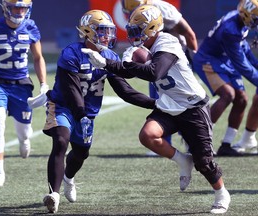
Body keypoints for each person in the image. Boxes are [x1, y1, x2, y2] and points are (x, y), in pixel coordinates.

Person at [83, 4, 231, 214]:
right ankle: (182, 161)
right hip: (169, 104)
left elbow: (154, 73)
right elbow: (128, 74)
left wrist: (109, 64)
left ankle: (222, 193)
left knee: (204, 163)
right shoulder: (144, 49)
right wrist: (114, 64)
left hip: (193, 106)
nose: (135, 35)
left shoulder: (167, 41)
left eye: (139, 30)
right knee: (148, 135)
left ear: (153, 28)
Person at [41, 9, 156, 214]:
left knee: (81, 153)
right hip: (63, 106)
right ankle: (54, 195)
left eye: (108, 31)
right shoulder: (71, 53)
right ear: (87, 32)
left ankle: (68, 178)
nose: (107, 36)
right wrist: (80, 115)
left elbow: (125, 91)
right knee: (60, 140)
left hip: (88, 113)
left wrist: (154, 104)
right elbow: (71, 90)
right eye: (102, 31)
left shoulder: (109, 56)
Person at [0, 0, 49, 187]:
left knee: (24, 132)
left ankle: (24, 140)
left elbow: (38, 58)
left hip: (21, 85)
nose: (21, 12)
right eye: (16, 7)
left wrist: (44, 84)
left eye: (24, 8)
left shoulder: (30, 27)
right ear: (6, 8)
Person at [121, 0, 198, 155]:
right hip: (155, 57)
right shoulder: (138, 13)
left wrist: (196, 58)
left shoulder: (161, 8)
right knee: (160, 99)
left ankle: (193, 141)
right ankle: (163, 141)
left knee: (181, 100)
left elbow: (188, 32)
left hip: (172, 58)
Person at [192, 0, 258, 156]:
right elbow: (242, 65)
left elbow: (244, 48)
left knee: (242, 99)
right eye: (255, 18)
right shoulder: (230, 29)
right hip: (208, 59)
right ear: (246, 14)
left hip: (224, 59)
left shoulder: (239, 20)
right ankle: (197, 140)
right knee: (228, 94)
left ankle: (226, 144)